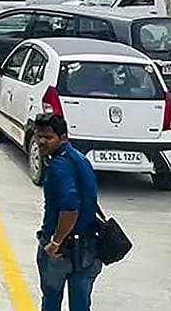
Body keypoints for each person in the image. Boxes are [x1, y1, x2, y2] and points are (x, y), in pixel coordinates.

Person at [34, 112, 101, 311]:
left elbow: (70, 207)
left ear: (63, 137)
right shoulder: (81, 159)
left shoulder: (58, 166)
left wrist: (55, 243)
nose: (41, 141)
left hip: (62, 251)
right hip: (89, 248)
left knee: (51, 300)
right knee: (81, 305)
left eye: (48, 137)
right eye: (39, 136)